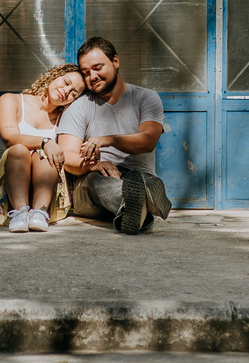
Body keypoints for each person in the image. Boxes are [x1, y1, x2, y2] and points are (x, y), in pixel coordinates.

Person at [57, 37, 172, 234]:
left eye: (98, 67)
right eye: (86, 73)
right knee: (99, 181)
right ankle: (140, 201)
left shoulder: (146, 98)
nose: (92, 76)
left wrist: (108, 140)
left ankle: (138, 209)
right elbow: (66, 155)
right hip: (91, 184)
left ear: (115, 61)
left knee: (142, 180)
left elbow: (148, 141)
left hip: (138, 175)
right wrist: (94, 165)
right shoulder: (78, 106)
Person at [0, 63, 86, 233]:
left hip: (45, 193)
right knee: (19, 150)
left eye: (74, 93)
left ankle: (40, 213)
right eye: (66, 82)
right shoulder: (11, 100)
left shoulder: (64, 119)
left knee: (44, 155)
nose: (67, 91)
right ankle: (20, 213)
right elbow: (11, 139)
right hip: (8, 192)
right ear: (54, 75)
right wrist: (46, 141)